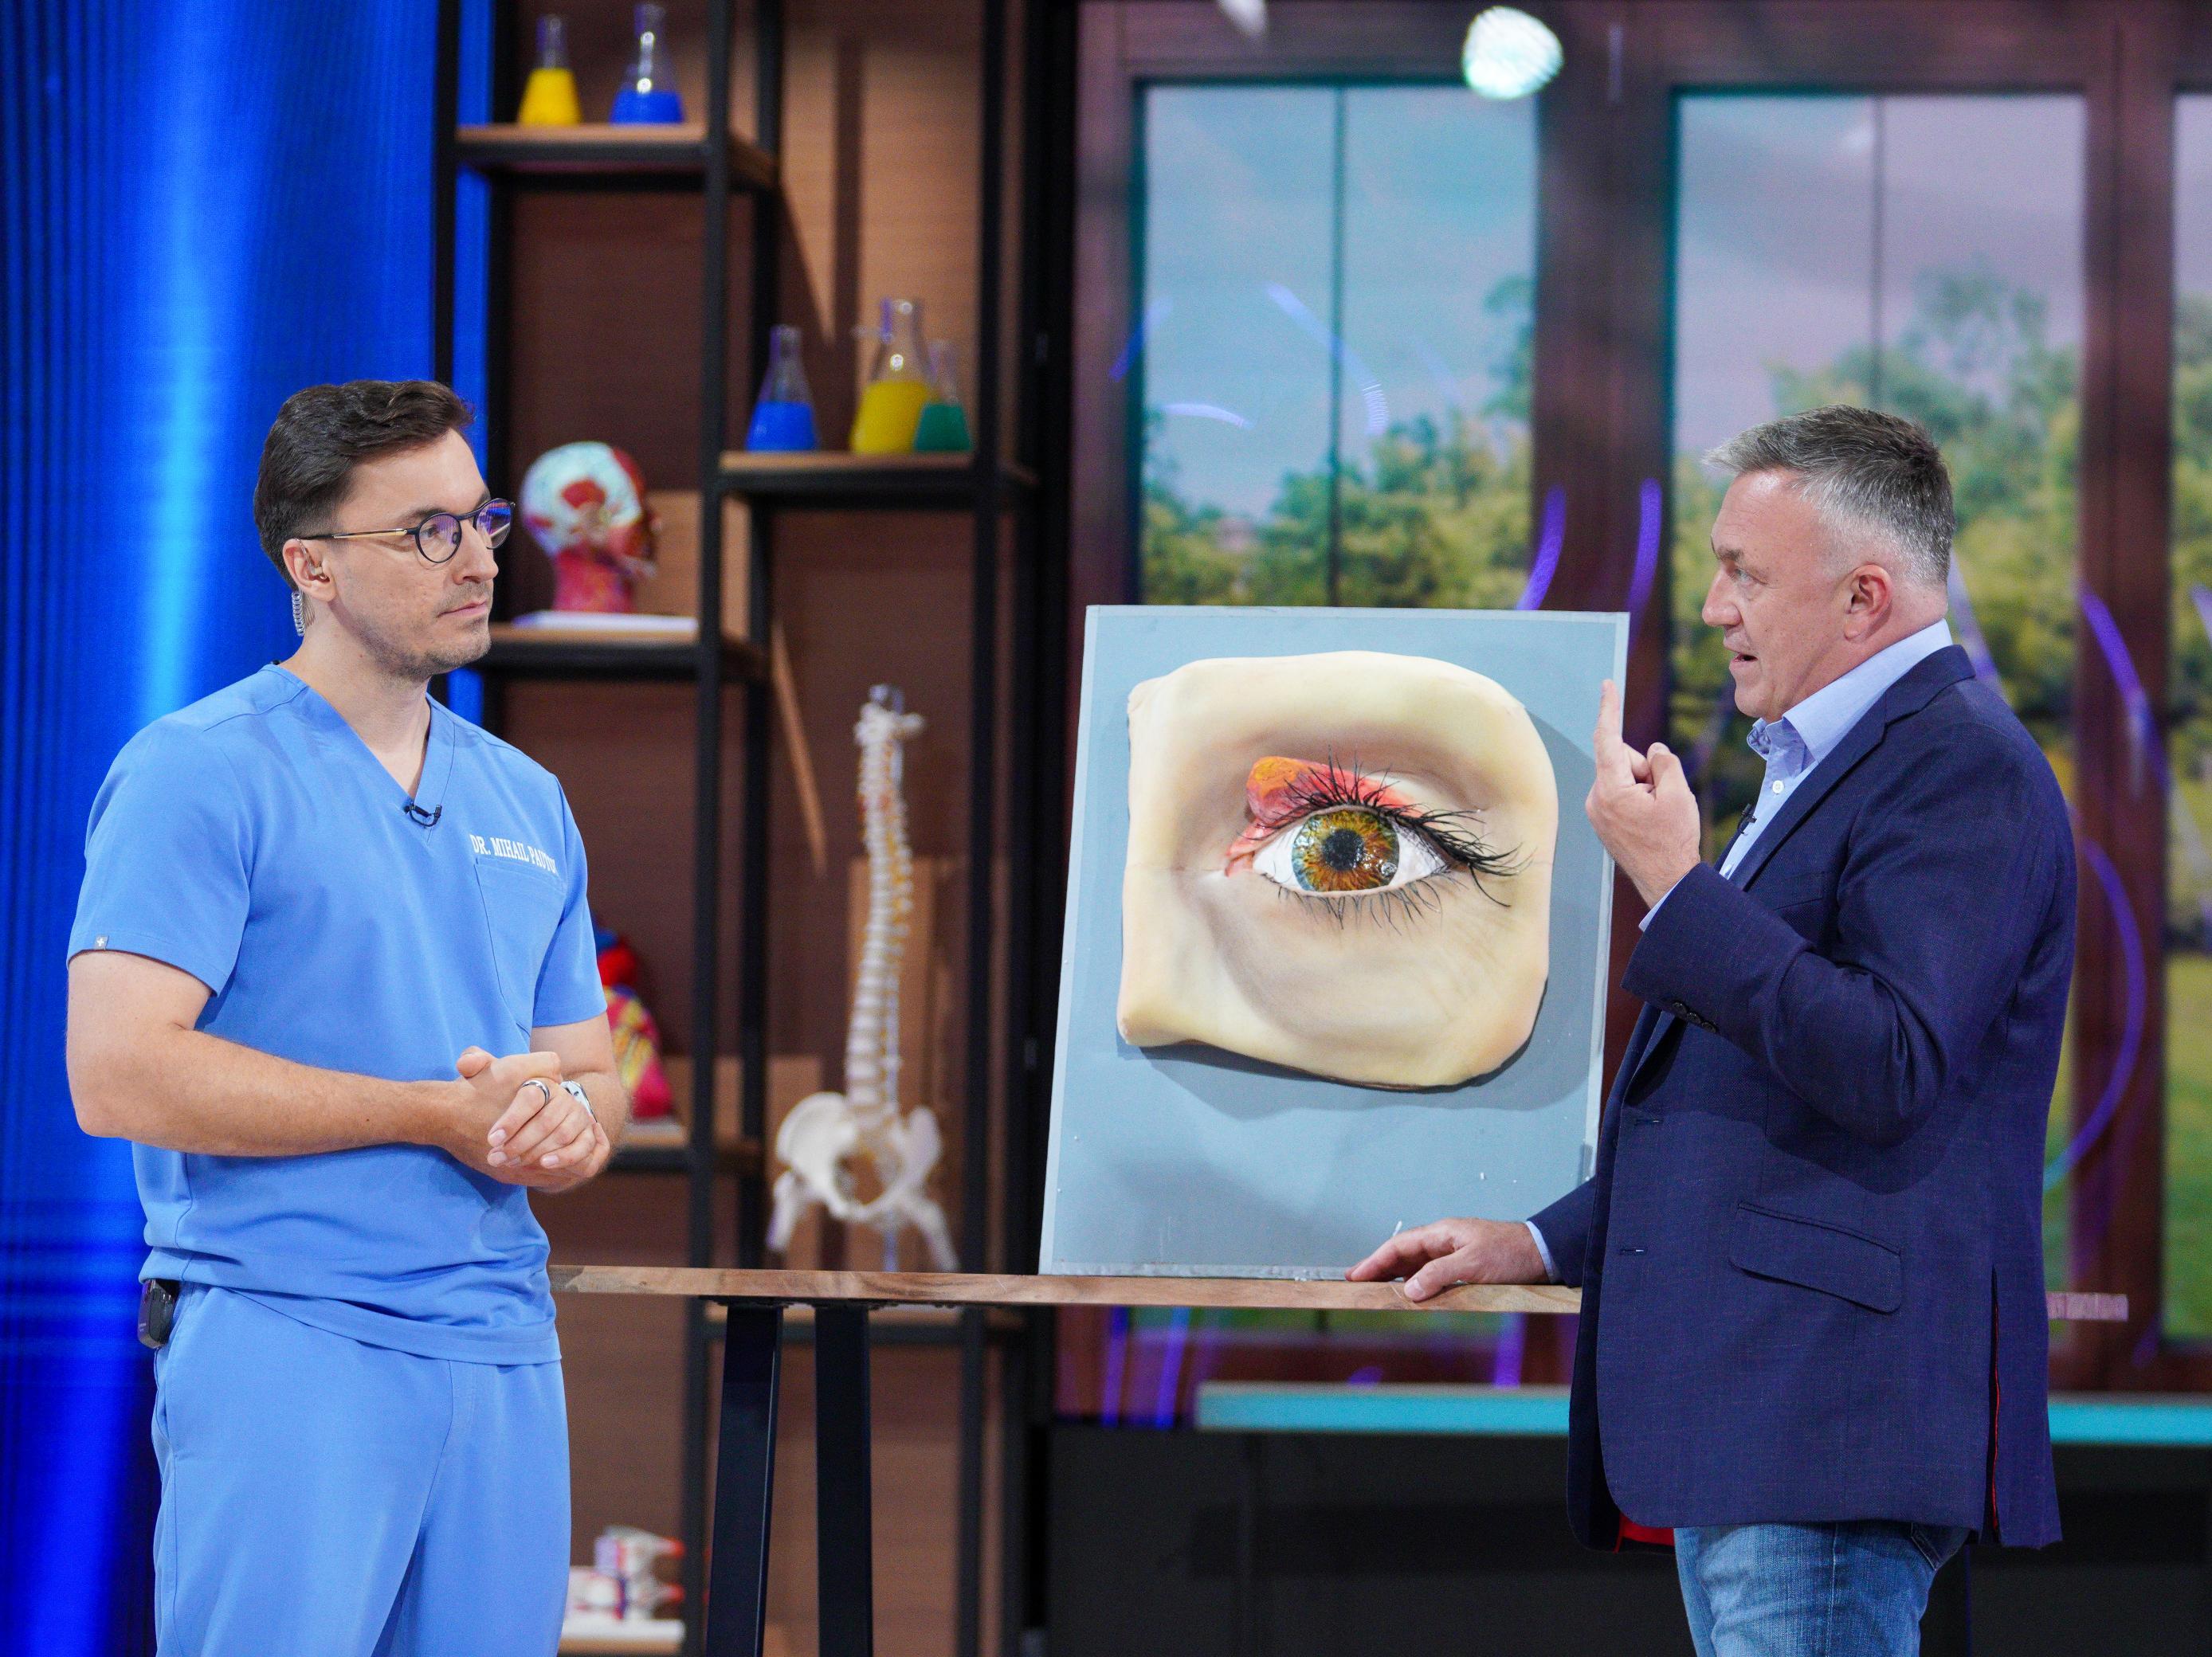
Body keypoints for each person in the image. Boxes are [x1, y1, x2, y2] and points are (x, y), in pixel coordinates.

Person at [1351, 405, 2075, 1656]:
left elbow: (1891, 1063)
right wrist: (1539, 1241)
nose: (1711, 607)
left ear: (1863, 598)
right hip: (1768, 1426)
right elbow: (1756, 1110)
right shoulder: (1841, 765)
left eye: (1744, 573)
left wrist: (1676, 888)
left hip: (1821, 1426)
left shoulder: (1963, 767)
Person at [65, 379, 628, 1655]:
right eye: (428, 532)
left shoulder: (528, 797)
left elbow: (590, 1075)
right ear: (310, 565)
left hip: (502, 1345)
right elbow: (118, 1075)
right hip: (288, 1336)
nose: (478, 558)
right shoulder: (199, 770)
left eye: (482, 520)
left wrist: (565, 1128)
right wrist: (435, 1114)